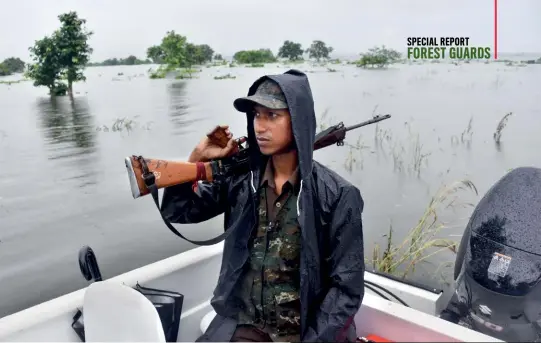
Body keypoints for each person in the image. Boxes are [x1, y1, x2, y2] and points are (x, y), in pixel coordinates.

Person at [161, 69, 365, 342]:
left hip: (305, 332)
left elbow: (346, 290)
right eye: (256, 115)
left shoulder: (338, 195)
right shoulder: (241, 181)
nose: (260, 126)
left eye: (272, 115)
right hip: (244, 324)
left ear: (298, 121)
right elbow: (180, 212)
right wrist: (196, 161)